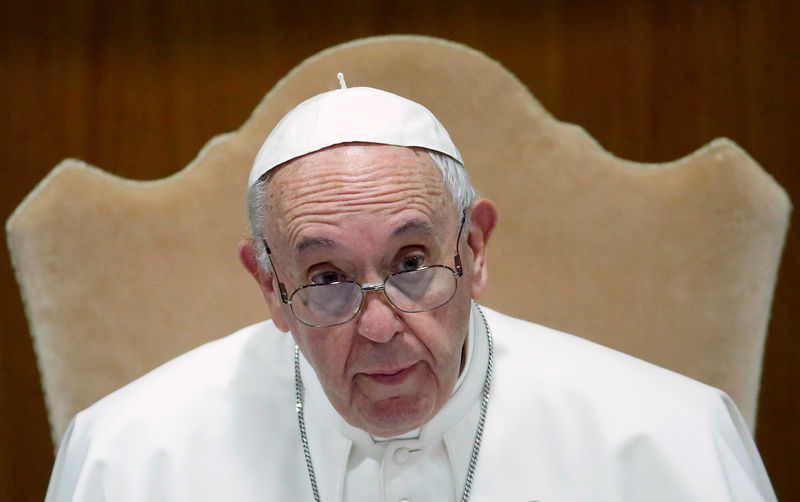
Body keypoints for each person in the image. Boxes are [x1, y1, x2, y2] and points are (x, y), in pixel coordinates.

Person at [44, 78, 778, 502]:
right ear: (270, 286)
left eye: (411, 263)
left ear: (475, 248)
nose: (378, 326)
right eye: (325, 278)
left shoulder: (667, 442)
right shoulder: (130, 458)